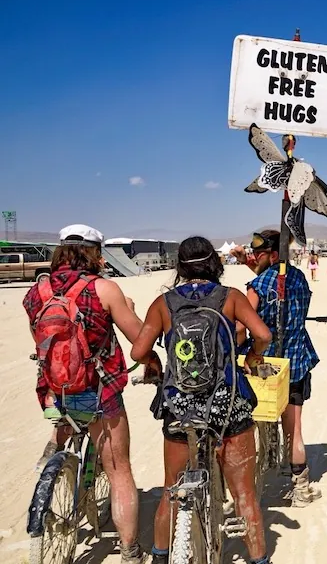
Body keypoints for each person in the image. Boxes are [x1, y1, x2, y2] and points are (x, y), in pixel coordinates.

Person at [131, 237, 272, 564]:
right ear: (215, 264)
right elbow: (263, 335)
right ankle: (259, 560)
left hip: (181, 411)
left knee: (171, 490)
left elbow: (137, 351)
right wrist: (251, 357)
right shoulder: (230, 298)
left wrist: (154, 362)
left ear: (180, 267)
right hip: (228, 409)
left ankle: (161, 556)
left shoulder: (163, 303)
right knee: (244, 494)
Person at [24, 225, 157, 564]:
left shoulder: (36, 292)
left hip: (54, 390)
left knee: (66, 414)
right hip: (98, 393)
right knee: (119, 470)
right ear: (96, 254)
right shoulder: (104, 288)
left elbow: (41, 342)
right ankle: (130, 552)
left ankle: (54, 454)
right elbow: (139, 341)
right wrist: (152, 361)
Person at [235, 230, 323, 507]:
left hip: (263, 365)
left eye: (259, 254)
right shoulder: (297, 277)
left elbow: (240, 328)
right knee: (294, 428)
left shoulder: (256, 286)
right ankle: (300, 488)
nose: (254, 257)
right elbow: (277, 285)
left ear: (272, 254)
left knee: (252, 422)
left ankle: (248, 488)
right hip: (296, 361)